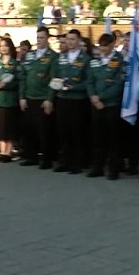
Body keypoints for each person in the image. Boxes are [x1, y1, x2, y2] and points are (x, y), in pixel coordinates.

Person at [51, 29, 91, 174]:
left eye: (73, 39)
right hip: (62, 99)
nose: (70, 42)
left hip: (77, 100)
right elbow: (55, 76)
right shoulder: (61, 58)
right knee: (63, 131)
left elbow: (89, 81)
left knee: (77, 131)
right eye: (68, 39)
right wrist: (57, 84)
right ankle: (64, 161)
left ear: (79, 41)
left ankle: (77, 163)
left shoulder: (86, 59)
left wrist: (75, 87)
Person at [86, 33, 125, 180]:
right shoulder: (94, 61)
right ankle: (97, 167)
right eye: (101, 46)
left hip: (111, 105)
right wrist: (93, 97)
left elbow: (118, 84)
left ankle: (113, 169)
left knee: (113, 139)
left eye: (106, 46)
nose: (103, 49)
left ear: (112, 45)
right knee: (97, 138)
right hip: (96, 104)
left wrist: (101, 98)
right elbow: (90, 81)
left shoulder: (119, 61)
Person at [19, 27, 58, 169]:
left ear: (47, 38)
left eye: (42, 38)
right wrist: (22, 96)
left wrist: (49, 99)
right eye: (38, 38)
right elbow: (23, 76)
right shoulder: (30, 55)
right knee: (29, 129)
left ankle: (46, 159)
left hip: (43, 98)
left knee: (44, 131)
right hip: (29, 97)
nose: (39, 40)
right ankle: (31, 156)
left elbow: (54, 79)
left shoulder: (53, 56)